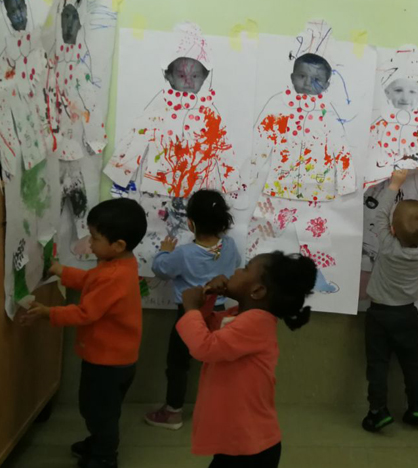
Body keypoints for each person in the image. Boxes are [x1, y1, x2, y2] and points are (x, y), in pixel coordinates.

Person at [18, 199, 148, 468]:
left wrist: (48, 312)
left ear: (118, 245)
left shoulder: (112, 276)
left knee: (99, 412)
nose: (89, 242)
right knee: (99, 409)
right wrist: (61, 271)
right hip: (115, 359)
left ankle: (104, 456)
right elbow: (91, 281)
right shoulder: (120, 264)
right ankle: (99, 442)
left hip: (108, 363)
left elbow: (84, 313)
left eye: (95, 237)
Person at [176, 252, 316, 468]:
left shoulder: (256, 322)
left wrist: (191, 309)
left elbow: (205, 347)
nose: (237, 271)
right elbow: (209, 329)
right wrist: (208, 297)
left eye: (246, 268)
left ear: (257, 291)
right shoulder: (240, 316)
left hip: (252, 448)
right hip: (239, 441)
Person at [145, 189, 242, 430]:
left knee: (178, 363)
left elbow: (161, 269)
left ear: (190, 224)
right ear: (223, 223)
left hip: (189, 315)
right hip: (219, 313)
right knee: (217, 363)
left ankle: (173, 412)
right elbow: (237, 263)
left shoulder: (184, 253)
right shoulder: (229, 246)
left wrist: (164, 251)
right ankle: (219, 412)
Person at [362, 167, 418, 432]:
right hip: (407, 315)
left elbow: (380, 214)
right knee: (411, 363)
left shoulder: (387, 245)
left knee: (378, 364)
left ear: (392, 229)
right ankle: (416, 407)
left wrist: (394, 184)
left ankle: (378, 411)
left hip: (379, 315)